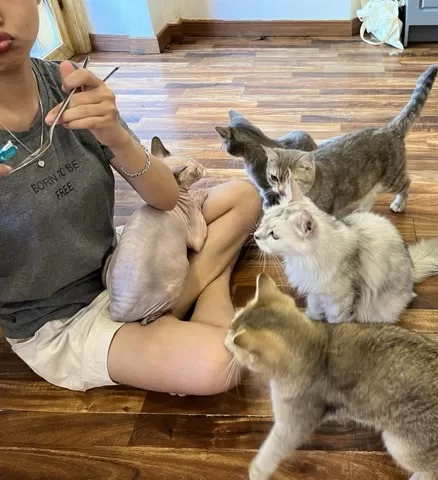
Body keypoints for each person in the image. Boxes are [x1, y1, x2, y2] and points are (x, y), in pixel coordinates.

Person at [0, 1, 262, 394]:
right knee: (219, 363)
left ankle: (172, 305)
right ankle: (201, 286)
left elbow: (166, 197)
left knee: (244, 196)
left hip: (119, 262)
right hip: (59, 320)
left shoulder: (67, 84)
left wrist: (117, 137)